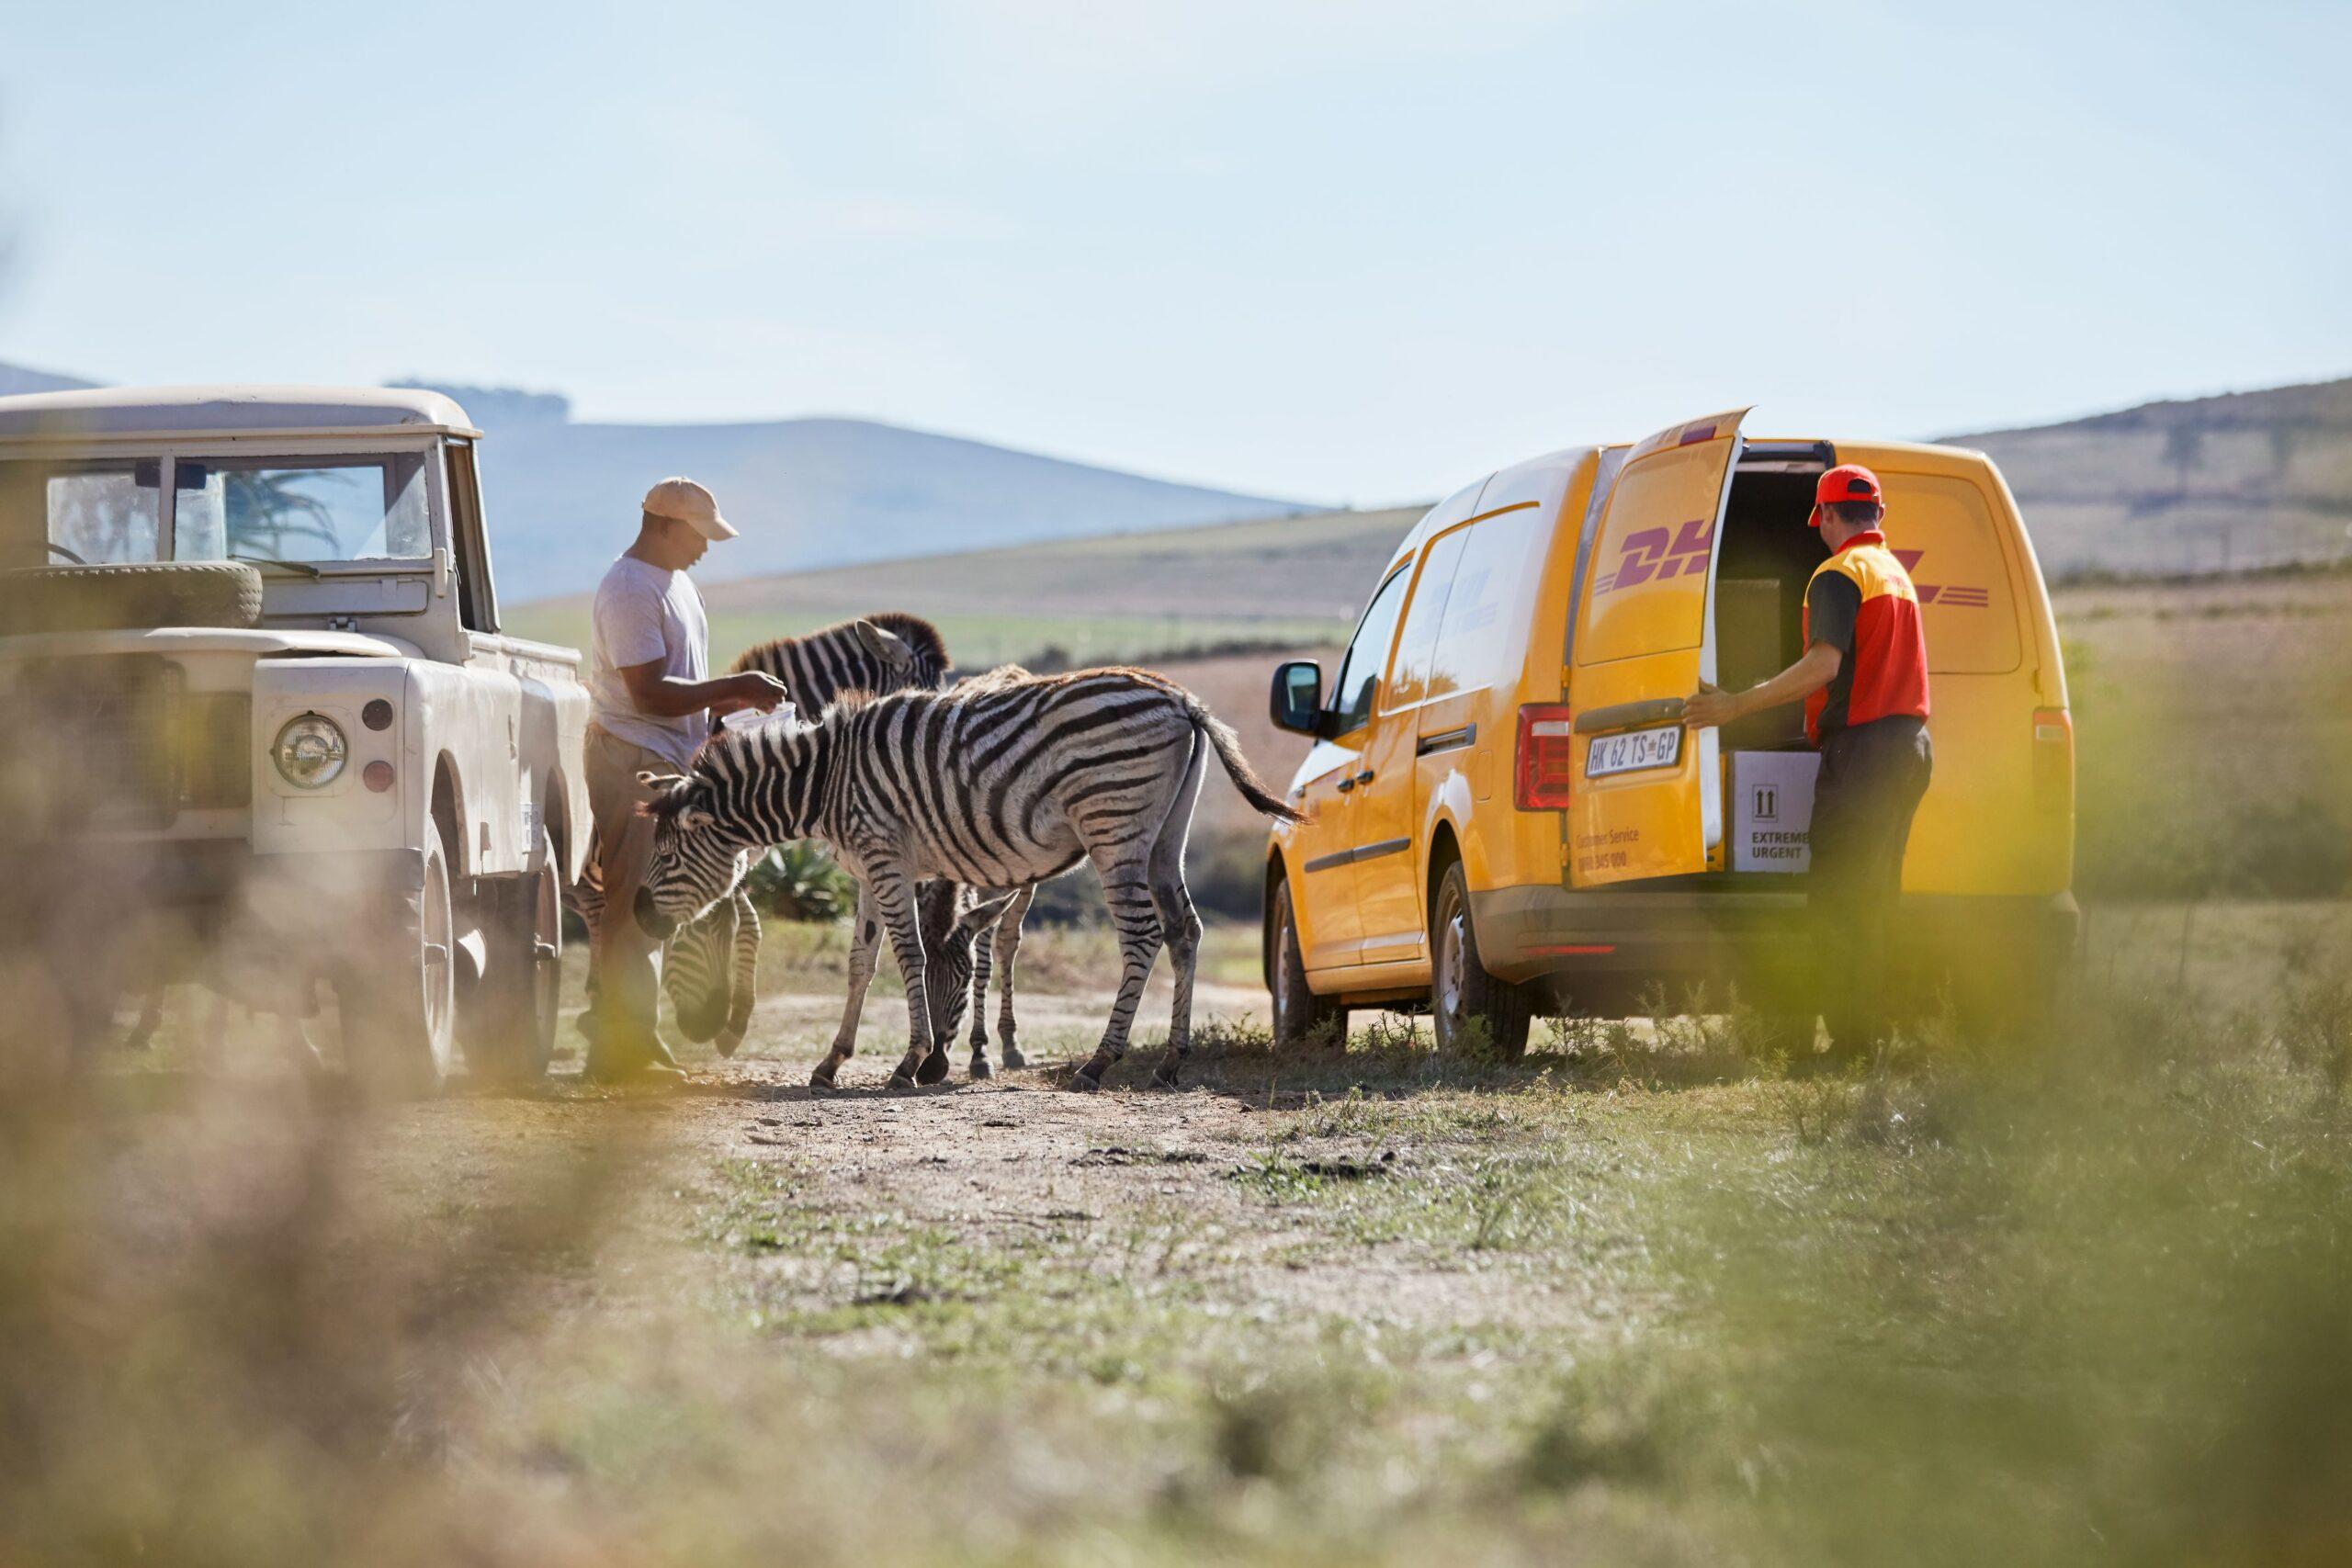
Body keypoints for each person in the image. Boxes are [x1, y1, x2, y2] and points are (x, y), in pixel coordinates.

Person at [1682, 464, 1932, 1061]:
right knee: (1875, 900)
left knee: (1839, 900)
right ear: (1878, 514)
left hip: (1865, 752)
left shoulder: (1838, 573)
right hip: (1911, 748)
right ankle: (1870, 1041)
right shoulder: (1894, 572)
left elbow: (1823, 665)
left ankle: (1851, 1047)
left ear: (1825, 516)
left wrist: (1735, 704)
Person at [582, 477, 787, 1082]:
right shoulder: (630, 589)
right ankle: (625, 1052)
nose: (705, 548)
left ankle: (628, 1043)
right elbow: (647, 693)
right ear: (666, 525)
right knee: (634, 905)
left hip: (665, 757)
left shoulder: (675, 584)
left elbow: (677, 684)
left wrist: (727, 709)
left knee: (652, 902)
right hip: (633, 756)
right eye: (699, 535)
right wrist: (736, 686)